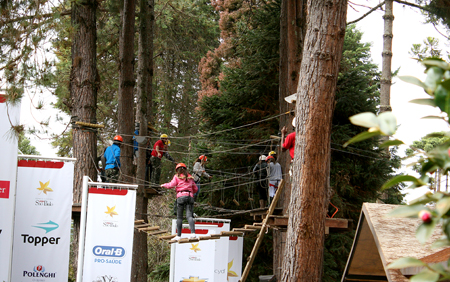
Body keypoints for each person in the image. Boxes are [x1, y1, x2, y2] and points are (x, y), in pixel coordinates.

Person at [161, 163, 198, 242]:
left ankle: (178, 235)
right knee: (189, 216)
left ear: (177, 170)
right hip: (189, 197)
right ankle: (193, 233)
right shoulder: (190, 177)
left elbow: (171, 185)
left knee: (179, 217)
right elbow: (195, 189)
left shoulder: (177, 177)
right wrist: (191, 192)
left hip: (181, 197)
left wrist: (163, 185)